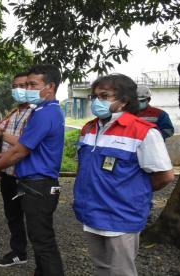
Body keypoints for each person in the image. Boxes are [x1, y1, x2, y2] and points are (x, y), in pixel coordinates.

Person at [73, 74, 175, 276]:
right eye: (94, 96)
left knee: (121, 271)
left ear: (124, 101)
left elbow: (165, 176)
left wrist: (132, 192)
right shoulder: (89, 128)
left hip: (121, 216)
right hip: (92, 213)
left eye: (104, 96)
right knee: (101, 267)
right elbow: (84, 168)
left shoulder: (143, 132)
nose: (96, 102)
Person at [0, 64, 65, 276]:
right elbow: (26, 148)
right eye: (25, 85)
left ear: (50, 86)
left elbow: (19, 152)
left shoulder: (45, 113)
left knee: (43, 242)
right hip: (33, 183)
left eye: (32, 84)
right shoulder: (43, 111)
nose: (27, 89)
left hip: (38, 185)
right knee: (39, 239)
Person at [0, 72, 32, 267]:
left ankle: (44, 260)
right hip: (8, 174)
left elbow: (26, 145)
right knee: (13, 215)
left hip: (26, 176)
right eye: (15, 86)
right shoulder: (12, 113)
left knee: (35, 219)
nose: (18, 90)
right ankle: (19, 252)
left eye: (24, 85)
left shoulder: (36, 113)